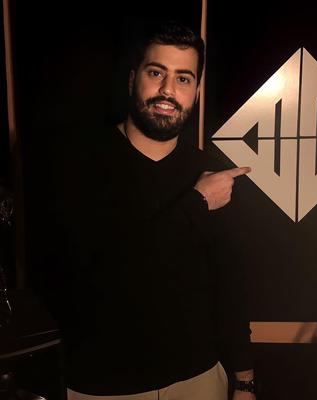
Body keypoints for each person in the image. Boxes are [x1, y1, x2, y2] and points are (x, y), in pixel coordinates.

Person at [55, 21, 256, 400]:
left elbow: (230, 288)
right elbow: (98, 282)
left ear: (196, 91)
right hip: (105, 388)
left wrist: (245, 380)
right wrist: (196, 204)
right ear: (134, 78)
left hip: (199, 381)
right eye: (156, 73)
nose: (168, 89)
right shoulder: (77, 164)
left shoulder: (211, 172)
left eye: (183, 78)